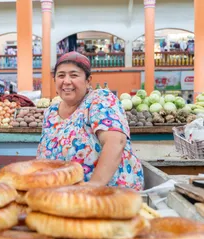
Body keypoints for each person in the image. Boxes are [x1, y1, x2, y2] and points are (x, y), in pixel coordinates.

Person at [37, 51, 144, 190]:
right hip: (65, 198)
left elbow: (116, 141)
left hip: (109, 195)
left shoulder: (100, 99)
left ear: (88, 81)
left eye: (74, 75)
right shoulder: (50, 113)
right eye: (61, 75)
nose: (66, 81)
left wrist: (93, 186)